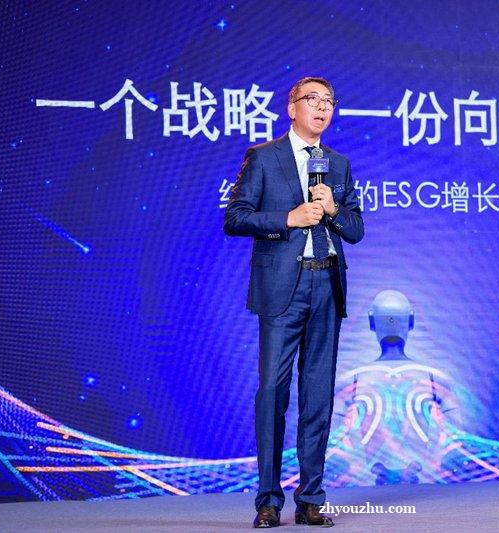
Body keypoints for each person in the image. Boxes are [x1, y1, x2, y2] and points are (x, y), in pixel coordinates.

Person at [223, 76, 364, 528]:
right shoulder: (265, 157)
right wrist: (289, 218)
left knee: (318, 395)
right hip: (283, 288)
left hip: (327, 284)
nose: (322, 108)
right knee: (273, 392)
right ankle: (268, 500)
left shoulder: (337, 165)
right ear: (292, 107)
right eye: (313, 99)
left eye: (329, 101)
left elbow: (356, 230)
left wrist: (333, 209)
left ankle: (311, 499)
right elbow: (235, 218)